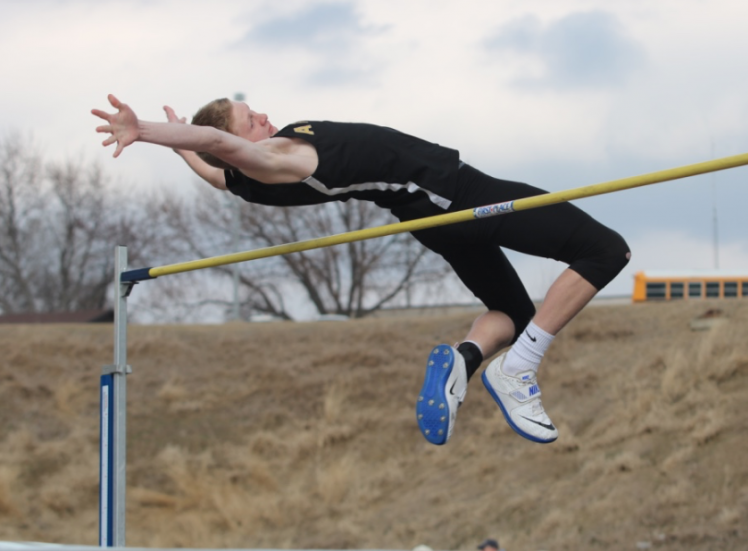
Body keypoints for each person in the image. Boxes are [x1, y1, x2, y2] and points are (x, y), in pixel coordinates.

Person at [92, 94, 630, 445]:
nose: (260, 116)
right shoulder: (276, 160)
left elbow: (213, 169)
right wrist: (144, 131)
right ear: (242, 148)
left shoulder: (247, 176)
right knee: (606, 251)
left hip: (429, 215)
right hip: (457, 197)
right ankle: (518, 371)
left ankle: (464, 365)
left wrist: (174, 146)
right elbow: (215, 144)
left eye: (253, 110)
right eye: (248, 121)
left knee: (511, 312)